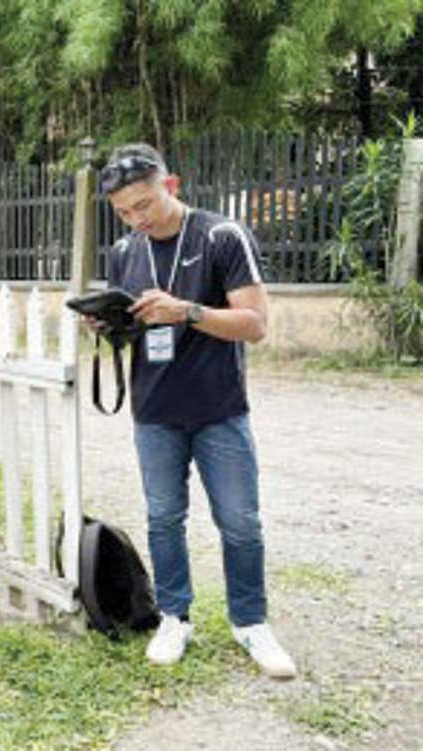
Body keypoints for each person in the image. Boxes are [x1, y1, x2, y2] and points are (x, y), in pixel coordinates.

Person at [95, 143, 296, 678]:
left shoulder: (220, 236)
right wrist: (109, 326)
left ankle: (250, 622)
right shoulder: (123, 252)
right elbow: (134, 333)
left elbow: (254, 324)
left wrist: (185, 311)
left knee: (240, 522)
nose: (136, 218)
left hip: (218, 408)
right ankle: (174, 616)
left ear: (172, 185)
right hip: (154, 409)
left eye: (144, 204)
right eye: (123, 211)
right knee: (164, 519)